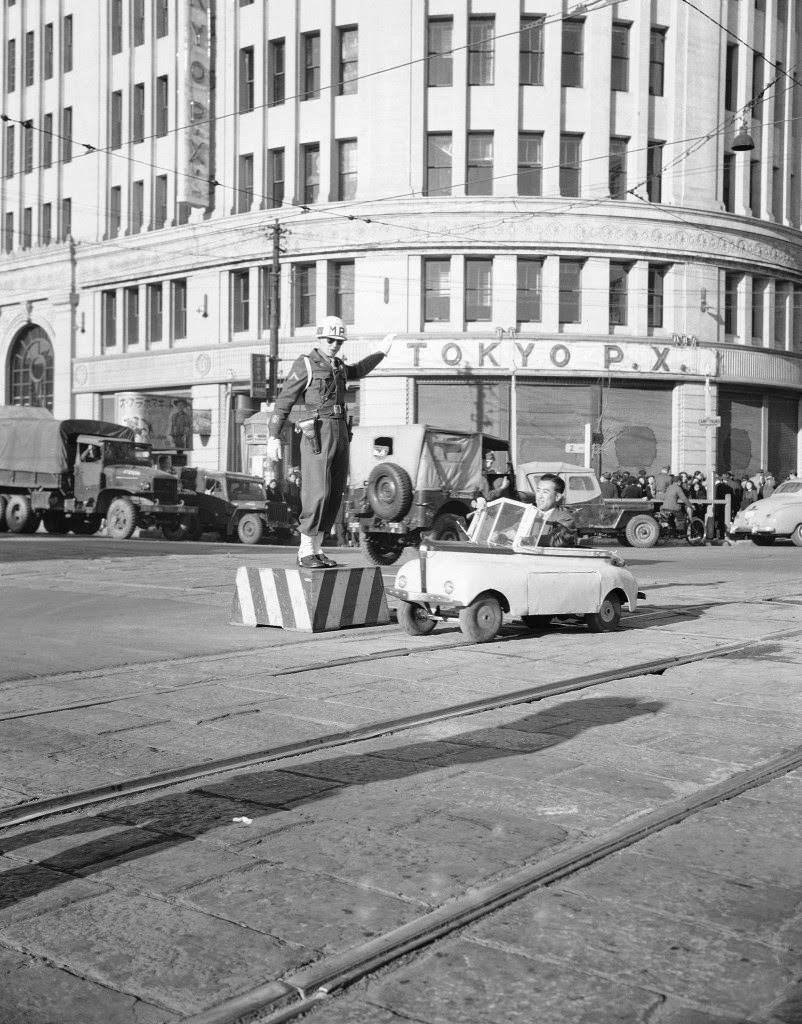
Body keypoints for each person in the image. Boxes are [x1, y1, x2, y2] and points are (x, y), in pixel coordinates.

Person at [266, 317, 393, 568]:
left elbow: (357, 370)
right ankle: (305, 551)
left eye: (339, 341)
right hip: (319, 431)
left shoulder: (337, 366)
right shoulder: (306, 364)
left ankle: (317, 548)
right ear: (320, 338)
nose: (335, 345)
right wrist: (273, 435)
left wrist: (380, 353)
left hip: (341, 431)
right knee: (317, 491)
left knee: (335, 492)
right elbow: (284, 401)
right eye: (331, 340)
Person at [522, 473, 578, 548]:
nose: (539, 496)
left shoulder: (566, 519)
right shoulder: (529, 515)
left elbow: (557, 540)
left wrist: (526, 540)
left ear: (557, 497)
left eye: (545, 492)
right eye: (538, 491)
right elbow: (513, 530)